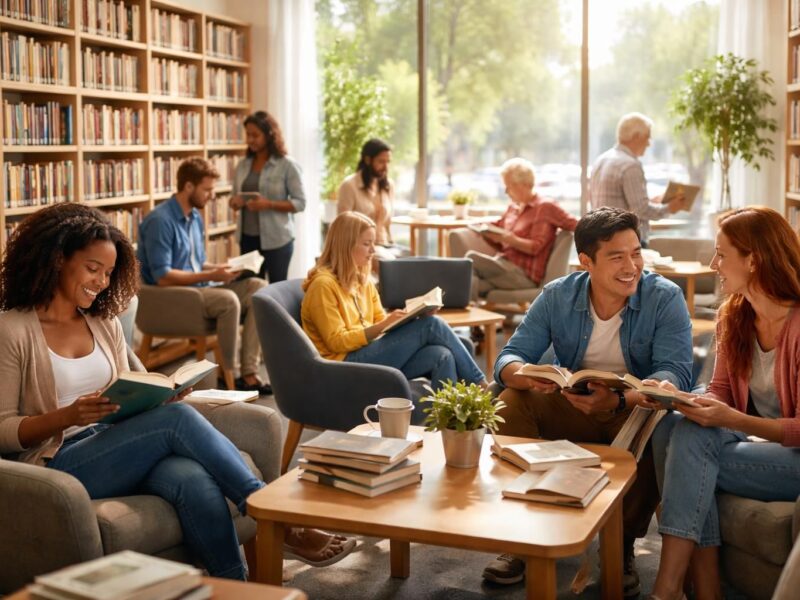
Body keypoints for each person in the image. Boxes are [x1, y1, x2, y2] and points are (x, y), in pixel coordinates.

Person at [0, 203, 354, 580]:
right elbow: (4, 431)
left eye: (108, 272)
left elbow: (130, 386)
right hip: (59, 462)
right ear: (57, 259)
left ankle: (236, 586)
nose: (102, 282)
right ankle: (275, 515)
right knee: (177, 420)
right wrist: (67, 416)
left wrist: (159, 395)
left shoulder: (102, 323)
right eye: (92, 269)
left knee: (191, 477)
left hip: (115, 443)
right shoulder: (13, 329)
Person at [482, 207, 693, 596]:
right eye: (617, 257)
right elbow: (508, 357)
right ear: (586, 262)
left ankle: (622, 544)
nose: (631, 266)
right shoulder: (558, 295)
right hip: (573, 404)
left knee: (663, 421)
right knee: (510, 399)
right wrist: (525, 374)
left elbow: (677, 374)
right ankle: (522, 538)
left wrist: (622, 399)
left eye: (636, 253)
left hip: (632, 410)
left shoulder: (665, 297)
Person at [648, 206, 800, 600]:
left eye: (721, 254)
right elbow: (721, 391)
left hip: (794, 455)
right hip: (756, 446)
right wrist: (681, 399)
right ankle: (698, 588)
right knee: (674, 426)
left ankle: (676, 589)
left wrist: (734, 419)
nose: (713, 264)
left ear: (754, 260)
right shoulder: (733, 316)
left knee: (688, 456)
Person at [301, 211, 488, 391]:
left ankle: (448, 420)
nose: (373, 250)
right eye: (367, 244)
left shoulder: (362, 281)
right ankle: (480, 386)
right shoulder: (323, 286)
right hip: (344, 363)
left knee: (442, 355)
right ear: (346, 245)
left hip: (368, 352)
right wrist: (385, 324)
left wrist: (411, 318)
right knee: (431, 325)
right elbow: (337, 342)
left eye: (373, 243)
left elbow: (380, 323)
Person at [138, 157, 270, 394]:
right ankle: (229, 373)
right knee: (228, 301)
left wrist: (221, 269)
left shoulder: (195, 218)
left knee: (259, 288)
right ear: (188, 187)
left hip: (200, 290)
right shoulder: (160, 221)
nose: (212, 196)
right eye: (207, 190)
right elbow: (163, 277)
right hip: (171, 298)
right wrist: (212, 276)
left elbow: (197, 264)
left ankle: (248, 373)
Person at [449, 158, 577, 300]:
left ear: (523, 184)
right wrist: (487, 234)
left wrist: (510, 239)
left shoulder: (545, 207)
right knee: (473, 285)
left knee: (471, 259)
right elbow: (499, 238)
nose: (505, 191)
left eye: (508, 186)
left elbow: (572, 226)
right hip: (502, 268)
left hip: (523, 275)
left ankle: (471, 320)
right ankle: (475, 319)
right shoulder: (512, 208)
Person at [230, 110, 306, 283]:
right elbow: (233, 196)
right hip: (248, 239)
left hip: (277, 240)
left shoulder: (287, 165)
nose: (250, 140)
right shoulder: (243, 165)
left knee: (276, 290)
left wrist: (268, 204)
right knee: (250, 289)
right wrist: (235, 202)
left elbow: (300, 203)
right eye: (248, 135)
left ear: (269, 135)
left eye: (255, 135)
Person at [590, 112, 686, 246]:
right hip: (625, 242)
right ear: (636, 137)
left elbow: (616, 202)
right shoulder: (630, 165)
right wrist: (670, 208)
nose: (649, 143)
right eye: (647, 137)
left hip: (603, 240)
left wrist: (653, 201)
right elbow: (641, 210)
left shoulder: (601, 160)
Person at [337, 138, 402, 263]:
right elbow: (343, 225)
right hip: (361, 248)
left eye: (388, 162)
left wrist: (392, 243)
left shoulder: (389, 185)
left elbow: (387, 223)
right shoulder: (349, 185)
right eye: (381, 162)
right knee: (390, 263)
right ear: (367, 160)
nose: (386, 167)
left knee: (415, 260)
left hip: (386, 245)